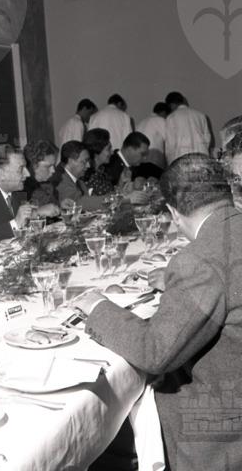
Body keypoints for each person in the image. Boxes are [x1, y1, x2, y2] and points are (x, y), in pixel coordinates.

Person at [74, 154, 242, 470]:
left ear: (173, 213)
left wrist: (97, 307)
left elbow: (155, 352)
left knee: (99, 427)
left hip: (221, 425)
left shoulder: (198, 260)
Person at [53, 141, 104, 210]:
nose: (88, 165)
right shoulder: (60, 180)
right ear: (71, 161)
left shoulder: (77, 178)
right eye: (84, 161)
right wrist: (111, 199)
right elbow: (78, 202)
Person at [164, 91, 212, 163]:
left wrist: (170, 162)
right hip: (201, 154)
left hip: (181, 157)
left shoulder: (171, 117)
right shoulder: (201, 115)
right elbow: (207, 137)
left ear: (171, 105)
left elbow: (170, 144)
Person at [23, 140, 70, 210]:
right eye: (48, 166)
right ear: (33, 166)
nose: (53, 170)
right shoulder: (22, 190)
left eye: (53, 165)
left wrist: (60, 206)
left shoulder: (47, 185)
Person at [82, 129, 115, 196]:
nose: (112, 152)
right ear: (97, 150)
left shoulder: (101, 171)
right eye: (108, 149)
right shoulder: (88, 177)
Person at [136, 102, 169, 169]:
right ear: (164, 113)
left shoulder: (142, 122)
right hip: (154, 155)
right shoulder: (161, 120)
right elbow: (168, 140)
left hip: (139, 157)